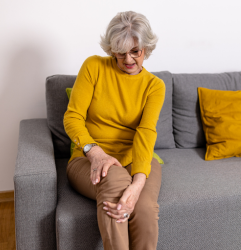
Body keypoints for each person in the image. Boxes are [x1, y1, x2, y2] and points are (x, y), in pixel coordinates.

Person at [63, 10, 165, 250]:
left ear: (146, 49)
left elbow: (146, 132)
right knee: (116, 183)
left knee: (144, 207)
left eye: (135, 52)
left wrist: (139, 183)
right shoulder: (93, 67)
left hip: (136, 159)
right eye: (121, 53)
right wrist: (95, 152)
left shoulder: (154, 86)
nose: (128, 60)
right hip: (87, 159)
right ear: (111, 50)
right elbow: (73, 117)